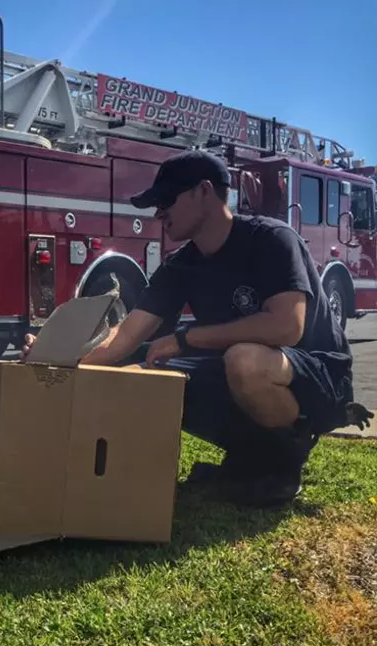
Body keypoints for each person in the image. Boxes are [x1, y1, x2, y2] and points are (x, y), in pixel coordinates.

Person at [23, 150, 370, 508]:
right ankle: (245, 459)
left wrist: (186, 339)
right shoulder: (182, 265)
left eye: (166, 201)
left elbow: (286, 326)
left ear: (204, 191)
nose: (159, 214)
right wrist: (57, 358)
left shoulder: (271, 239)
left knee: (244, 361)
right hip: (243, 370)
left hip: (320, 377)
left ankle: (281, 464)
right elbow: (124, 336)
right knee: (137, 379)